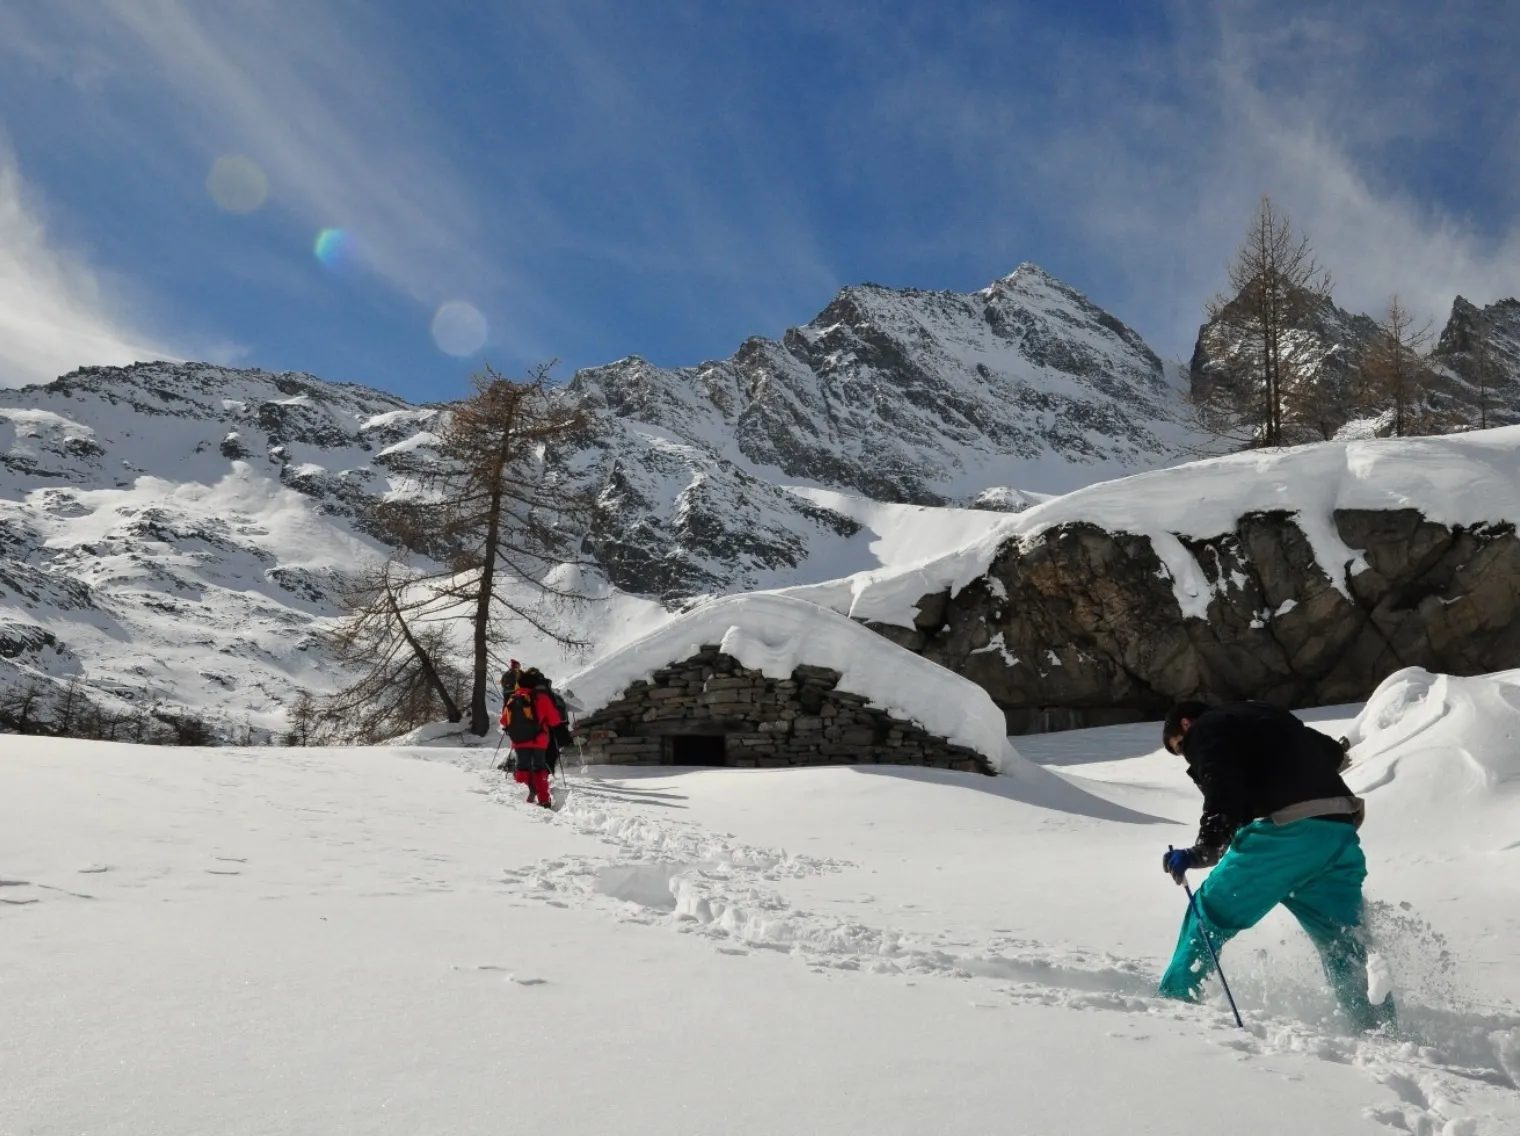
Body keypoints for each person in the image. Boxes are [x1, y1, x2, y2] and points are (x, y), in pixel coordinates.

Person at [1158, 699, 1395, 1032]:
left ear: (1185, 724)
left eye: (1180, 747)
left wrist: (1206, 848)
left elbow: (1220, 780)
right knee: (1343, 943)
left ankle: (1173, 1007)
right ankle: (1379, 1030)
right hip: (1337, 834)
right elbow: (1332, 753)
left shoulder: (1206, 728)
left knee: (1208, 914)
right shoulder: (1265, 716)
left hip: (1284, 835)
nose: (1186, 754)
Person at [500, 668, 564, 809]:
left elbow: (504, 721)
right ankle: (543, 799)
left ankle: (527, 795)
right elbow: (554, 721)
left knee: (522, 767)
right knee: (539, 767)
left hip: (519, 741)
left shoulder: (513, 698)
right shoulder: (541, 697)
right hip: (539, 740)